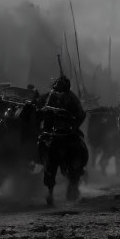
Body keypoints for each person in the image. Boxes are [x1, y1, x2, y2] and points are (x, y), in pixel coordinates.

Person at [37, 75, 87, 203]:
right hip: (54, 131)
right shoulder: (51, 96)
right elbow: (45, 111)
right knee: (44, 148)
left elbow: (81, 114)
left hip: (69, 131)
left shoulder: (72, 97)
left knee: (80, 148)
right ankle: (50, 190)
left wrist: (73, 125)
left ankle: (75, 177)